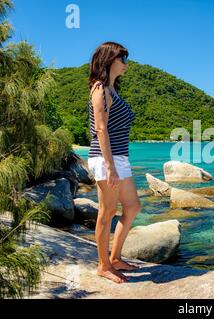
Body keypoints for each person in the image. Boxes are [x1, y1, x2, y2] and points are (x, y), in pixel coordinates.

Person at [87, 42, 141, 284]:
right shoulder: (100, 90)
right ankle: (103, 265)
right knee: (106, 212)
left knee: (133, 207)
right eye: (123, 59)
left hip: (120, 158)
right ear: (110, 60)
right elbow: (100, 129)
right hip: (105, 158)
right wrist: (109, 167)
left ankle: (115, 257)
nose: (126, 64)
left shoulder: (112, 90)